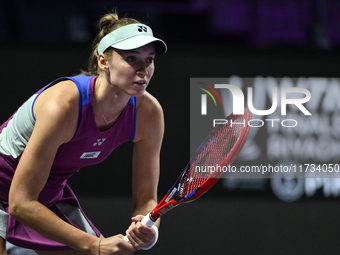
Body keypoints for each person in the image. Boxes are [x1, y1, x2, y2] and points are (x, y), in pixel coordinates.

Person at [0, 10, 167, 255]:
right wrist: (95, 244)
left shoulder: (149, 114)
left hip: (46, 193)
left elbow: (146, 199)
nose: (143, 70)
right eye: (132, 59)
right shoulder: (63, 105)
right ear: (103, 61)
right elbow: (20, 203)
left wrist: (148, 230)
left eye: (149, 59)